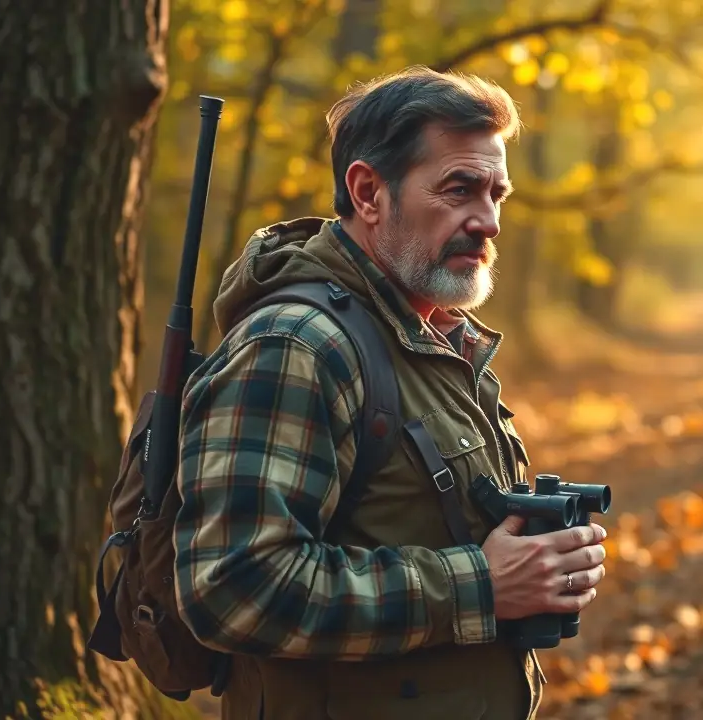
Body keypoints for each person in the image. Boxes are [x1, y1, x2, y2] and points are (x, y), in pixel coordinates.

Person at [171, 66, 607, 720]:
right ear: (369, 192)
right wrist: (480, 586)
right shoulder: (296, 346)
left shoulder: (429, 337)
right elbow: (233, 587)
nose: (487, 221)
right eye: (460, 189)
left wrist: (543, 563)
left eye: (496, 194)